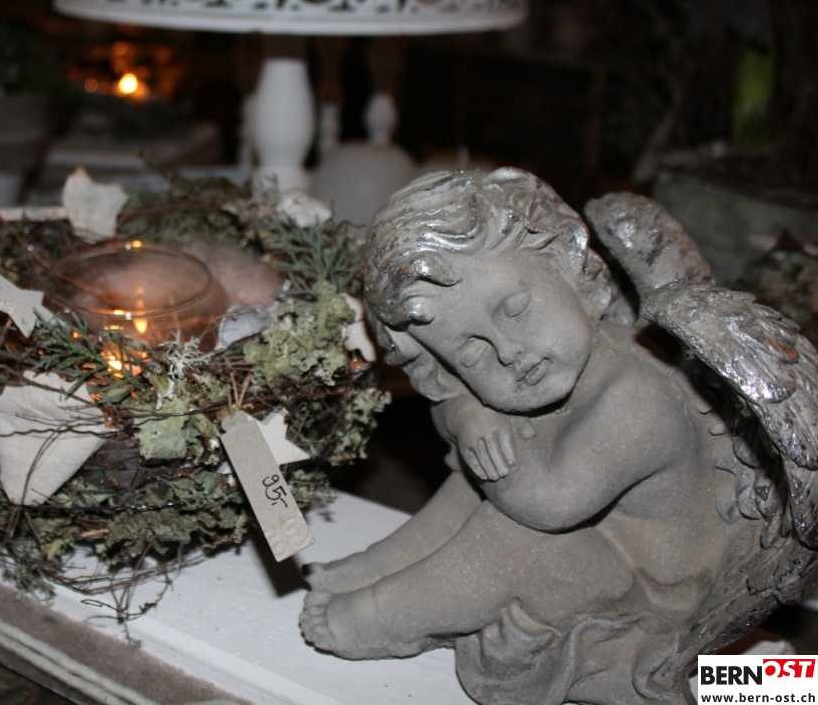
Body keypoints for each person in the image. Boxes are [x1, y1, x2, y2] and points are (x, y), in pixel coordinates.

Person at [300, 168, 743, 704]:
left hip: (650, 587)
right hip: (589, 540)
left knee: (515, 536)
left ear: (569, 268)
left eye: (513, 309)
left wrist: (476, 425)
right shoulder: (552, 367)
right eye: (471, 352)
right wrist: (470, 414)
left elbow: (548, 507)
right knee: (479, 473)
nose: (509, 352)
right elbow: (462, 421)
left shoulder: (637, 399)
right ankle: (381, 564)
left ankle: (387, 614)